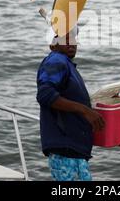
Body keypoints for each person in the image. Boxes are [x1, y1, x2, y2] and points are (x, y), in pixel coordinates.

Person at [36, 29, 105, 181]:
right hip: (65, 148)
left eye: (73, 38)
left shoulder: (66, 64)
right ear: (52, 45)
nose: (71, 42)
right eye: (65, 39)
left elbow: (68, 97)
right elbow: (45, 94)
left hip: (73, 148)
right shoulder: (56, 60)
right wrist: (85, 110)